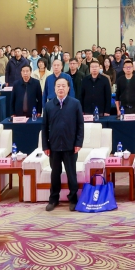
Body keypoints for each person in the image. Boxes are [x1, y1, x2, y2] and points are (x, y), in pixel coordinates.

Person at [43, 77, 85, 211]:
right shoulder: (49, 105)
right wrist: (45, 146)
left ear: (68, 88)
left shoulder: (75, 103)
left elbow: (80, 125)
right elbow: (44, 127)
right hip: (54, 146)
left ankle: (73, 199)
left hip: (70, 146)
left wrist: (78, 143)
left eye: (63, 86)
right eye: (58, 86)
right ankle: (53, 199)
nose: (60, 88)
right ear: (54, 88)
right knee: (55, 174)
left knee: (71, 174)